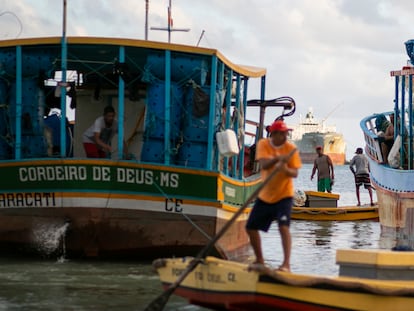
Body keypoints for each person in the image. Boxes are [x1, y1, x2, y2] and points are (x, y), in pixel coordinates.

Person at [245, 120, 302, 272]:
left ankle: (286, 265)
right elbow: (264, 165)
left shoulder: (291, 148)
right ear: (274, 134)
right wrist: (277, 160)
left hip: (284, 195)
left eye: (286, 133)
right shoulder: (264, 144)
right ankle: (260, 260)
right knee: (250, 227)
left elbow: (294, 173)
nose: (285, 136)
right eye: (282, 133)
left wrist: (284, 169)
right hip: (265, 195)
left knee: (283, 227)